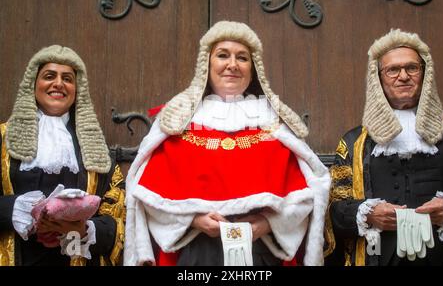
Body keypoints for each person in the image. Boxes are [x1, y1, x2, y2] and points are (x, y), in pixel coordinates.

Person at [124, 21, 331, 266]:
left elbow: (307, 195)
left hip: (261, 254)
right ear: (207, 65)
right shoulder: (178, 122)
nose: (232, 65)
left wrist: (267, 224)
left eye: (242, 58)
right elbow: (148, 195)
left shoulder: (275, 124)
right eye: (223, 55)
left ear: (253, 69)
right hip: (196, 251)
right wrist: (193, 220)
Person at [326, 29, 443, 266]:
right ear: (378, 78)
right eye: (393, 70)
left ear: (424, 74)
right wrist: (368, 214)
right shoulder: (354, 142)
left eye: (412, 68)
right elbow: (334, 210)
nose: (403, 76)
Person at [0, 45, 125, 266]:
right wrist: (12, 210)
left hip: (75, 255)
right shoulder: (2, 139)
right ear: (33, 84)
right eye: (49, 76)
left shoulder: (96, 146)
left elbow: (117, 212)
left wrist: (84, 230)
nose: (58, 83)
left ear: (77, 90)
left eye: (67, 78)